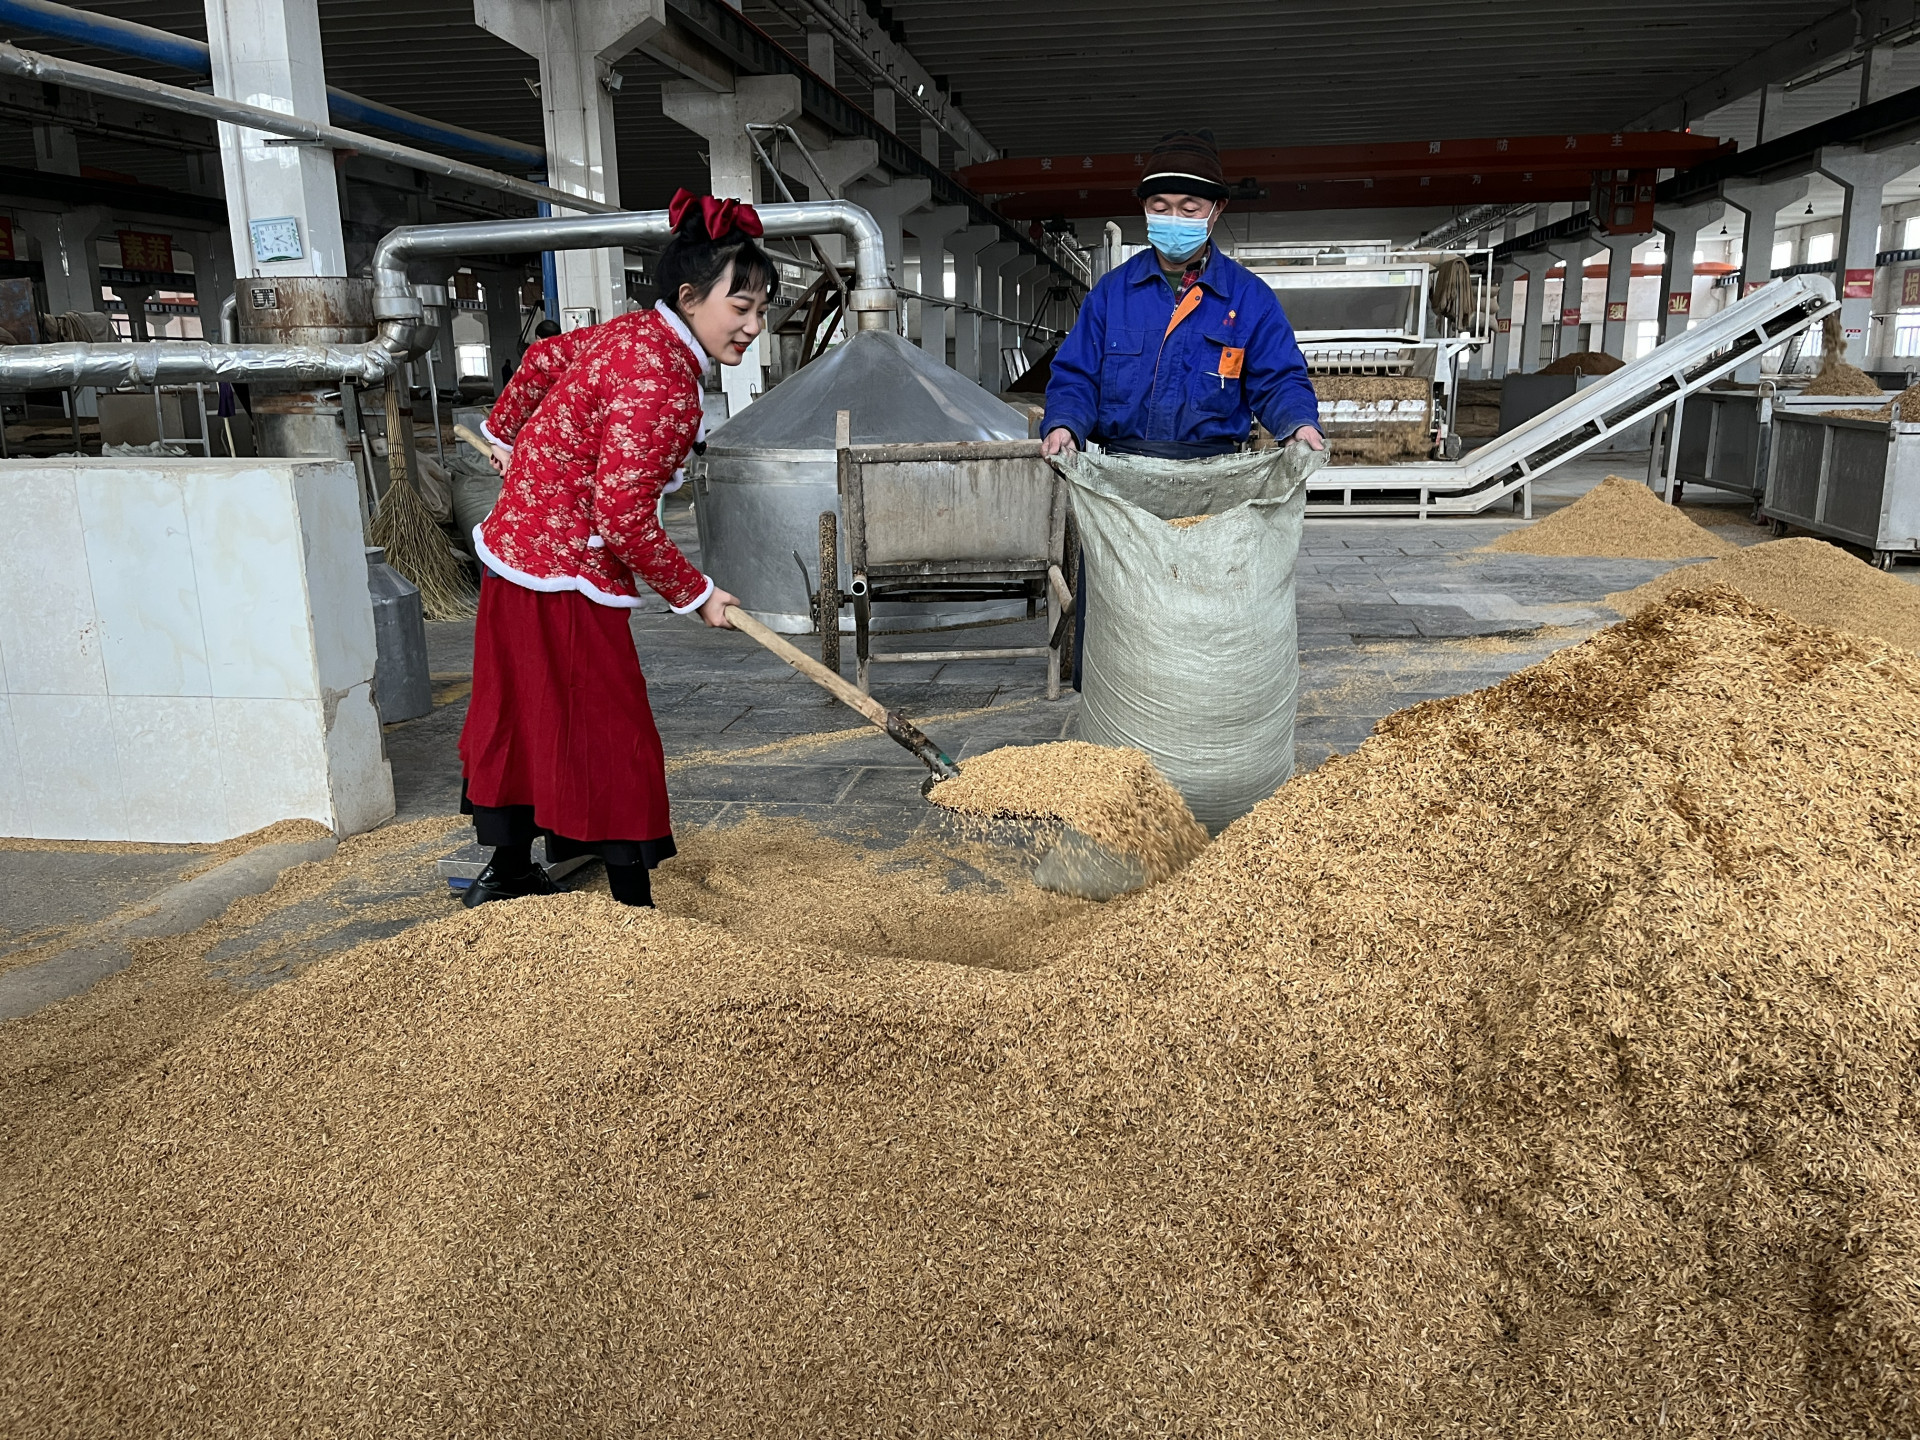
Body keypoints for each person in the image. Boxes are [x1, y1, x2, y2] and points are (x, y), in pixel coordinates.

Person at [456, 190, 773, 909]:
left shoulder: (629, 334)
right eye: (740, 306)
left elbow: (542, 358)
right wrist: (696, 593)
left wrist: (508, 436)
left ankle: (510, 869)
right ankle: (633, 905)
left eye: (761, 309)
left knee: (522, 709)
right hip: (568, 576)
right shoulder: (665, 381)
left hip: (515, 551)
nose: (753, 326)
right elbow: (624, 518)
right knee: (607, 726)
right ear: (690, 298)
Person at [1039, 128, 1324, 686]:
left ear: (1215, 211)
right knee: (1123, 616)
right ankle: (1119, 708)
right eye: (1161, 206)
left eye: (1189, 207)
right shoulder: (1112, 294)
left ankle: (1198, 707)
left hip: (1215, 488)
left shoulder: (1248, 299)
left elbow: (1279, 378)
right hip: (1125, 486)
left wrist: (1298, 425)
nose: (1174, 217)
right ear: (1145, 209)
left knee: (1202, 622)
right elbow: (1075, 375)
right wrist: (1065, 425)